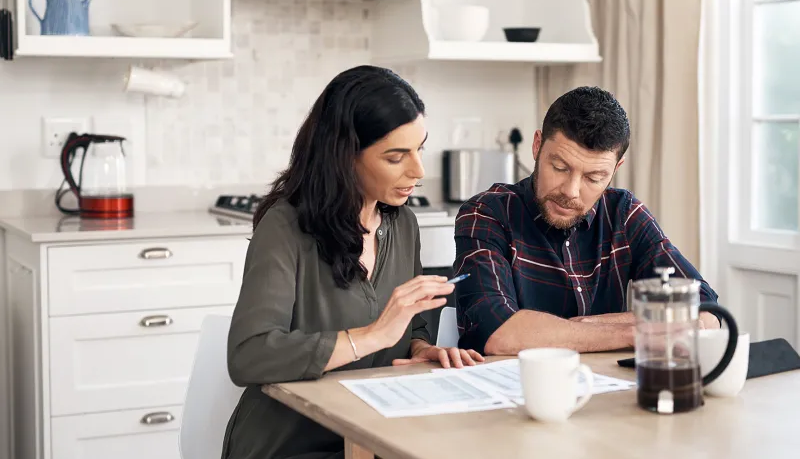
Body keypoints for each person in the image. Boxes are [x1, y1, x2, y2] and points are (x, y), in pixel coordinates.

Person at [223, 65, 483, 459]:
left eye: (420, 149)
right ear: (345, 157)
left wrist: (418, 347)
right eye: (396, 157)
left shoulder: (404, 224)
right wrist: (372, 336)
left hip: (373, 436)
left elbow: (409, 319)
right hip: (291, 445)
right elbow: (249, 354)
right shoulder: (285, 225)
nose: (419, 171)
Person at [452, 86, 720, 356]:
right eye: (559, 168)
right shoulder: (486, 213)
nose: (571, 191)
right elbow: (496, 331)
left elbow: (706, 311)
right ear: (537, 145)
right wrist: (635, 330)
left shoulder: (623, 213)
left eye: (594, 178)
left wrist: (581, 326)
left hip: (607, 387)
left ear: (616, 169)